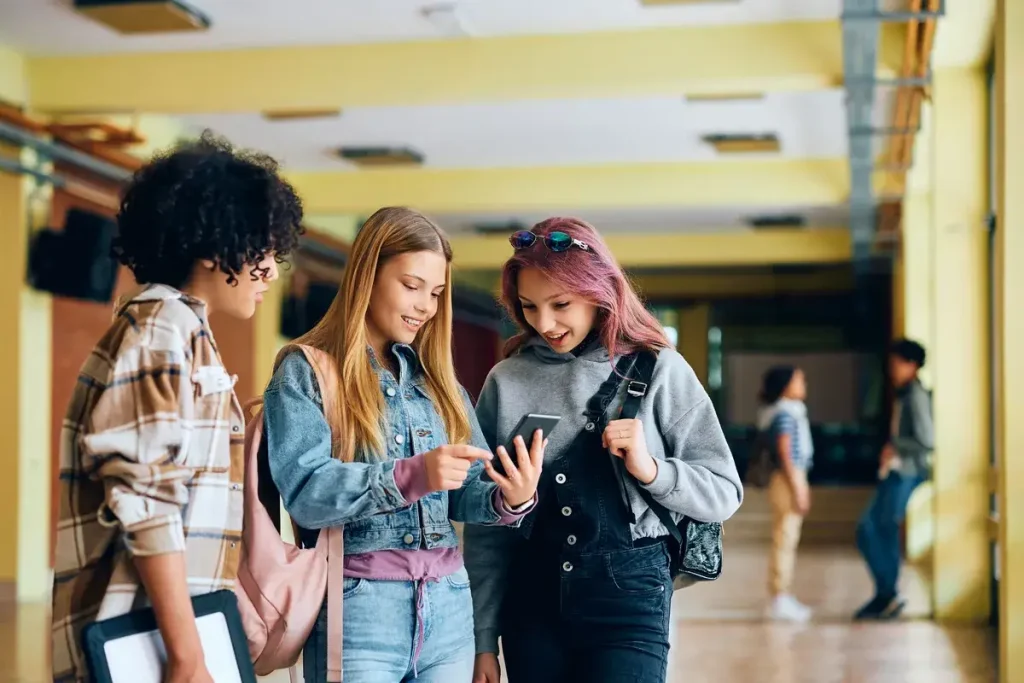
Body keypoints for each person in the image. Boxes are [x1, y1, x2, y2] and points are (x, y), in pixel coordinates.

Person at [51, 132, 305, 683]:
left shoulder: (183, 329)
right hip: (141, 640)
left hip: (169, 631)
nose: (272, 274)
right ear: (216, 248)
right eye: (262, 253)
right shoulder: (161, 329)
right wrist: (187, 654)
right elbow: (147, 504)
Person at [262, 207, 543, 683]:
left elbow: (466, 492)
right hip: (357, 609)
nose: (425, 307)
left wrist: (509, 496)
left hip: (450, 608)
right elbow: (308, 495)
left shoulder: (440, 384)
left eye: (435, 293)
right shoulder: (305, 370)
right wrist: (411, 476)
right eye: (411, 286)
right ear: (367, 277)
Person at [464, 218, 743, 683]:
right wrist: (482, 639)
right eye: (529, 307)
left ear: (599, 291)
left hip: (629, 597)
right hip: (530, 600)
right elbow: (489, 527)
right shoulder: (506, 380)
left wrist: (652, 470)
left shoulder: (659, 369)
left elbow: (724, 493)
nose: (544, 323)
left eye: (561, 305)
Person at [854, 338, 933, 620]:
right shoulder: (904, 394)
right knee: (875, 530)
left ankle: (887, 593)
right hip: (896, 471)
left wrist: (895, 445)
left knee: (873, 529)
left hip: (906, 472)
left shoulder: (917, 396)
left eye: (897, 363)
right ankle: (886, 593)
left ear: (912, 365)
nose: (892, 369)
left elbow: (927, 440)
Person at [756, 365, 814, 622]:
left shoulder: (785, 412)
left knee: (785, 536)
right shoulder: (785, 414)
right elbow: (786, 454)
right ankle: (780, 596)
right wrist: (799, 488)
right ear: (786, 386)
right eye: (799, 380)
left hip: (787, 478)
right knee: (785, 537)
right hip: (788, 478)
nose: (803, 385)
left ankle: (781, 595)